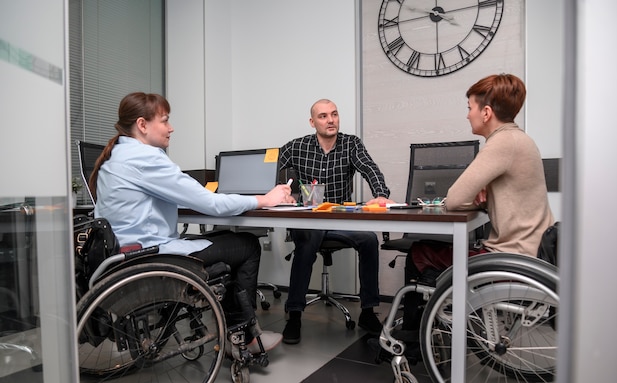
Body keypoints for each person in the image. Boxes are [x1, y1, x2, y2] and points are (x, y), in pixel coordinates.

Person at [90, 92, 294, 352]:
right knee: (246, 244)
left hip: (125, 256)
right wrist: (264, 199)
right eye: (164, 121)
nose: (170, 127)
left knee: (224, 241)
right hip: (150, 257)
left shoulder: (116, 156)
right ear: (142, 125)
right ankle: (243, 337)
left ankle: (237, 330)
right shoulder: (146, 159)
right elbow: (212, 204)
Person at [390, 74, 555, 362]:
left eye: (470, 107)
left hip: (510, 257)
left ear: (486, 112)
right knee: (435, 251)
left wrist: (477, 192)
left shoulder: (501, 143)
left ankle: (414, 341)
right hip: (531, 252)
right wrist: (487, 192)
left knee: (420, 251)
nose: (468, 115)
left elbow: (454, 199)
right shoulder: (521, 140)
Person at [278, 98, 395, 344]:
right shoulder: (297, 147)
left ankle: (367, 311)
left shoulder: (351, 143)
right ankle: (295, 314)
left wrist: (381, 194)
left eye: (334, 114)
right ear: (313, 122)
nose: (330, 120)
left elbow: (369, 168)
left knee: (369, 240)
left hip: (339, 220)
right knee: (308, 240)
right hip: (308, 221)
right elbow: (270, 166)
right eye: (323, 116)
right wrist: (283, 192)